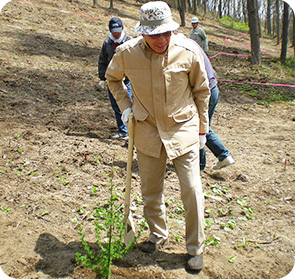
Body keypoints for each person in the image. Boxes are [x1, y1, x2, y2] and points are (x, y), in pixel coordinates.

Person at [106, 1, 211, 271]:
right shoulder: (127, 53)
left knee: (192, 190)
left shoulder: (188, 51)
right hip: (148, 131)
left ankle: (195, 248)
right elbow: (112, 78)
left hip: (183, 131)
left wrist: (202, 130)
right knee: (151, 190)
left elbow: (202, 91)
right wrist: (126, 108)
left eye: (166, 33)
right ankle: (157, 235)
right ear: (142, 32)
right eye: (154, 34)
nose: (161, 40)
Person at [176, 33, 234, 171]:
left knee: (200, 126)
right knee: (202, 126)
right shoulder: (191, 44)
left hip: (205, 92)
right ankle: (215, 159)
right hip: (212, 89)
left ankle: (213, 159)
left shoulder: (184, 49)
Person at [98, 17, 133, 140]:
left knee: (128, 103)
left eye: (118, 30)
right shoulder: (107, 43)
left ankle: (132, 131)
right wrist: (102, 77)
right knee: (116, 104)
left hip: (128, 78)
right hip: (113, 78)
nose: (116, 33)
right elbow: (102, 60)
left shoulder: (129, 42)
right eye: (114, 31)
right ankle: (123, 130)